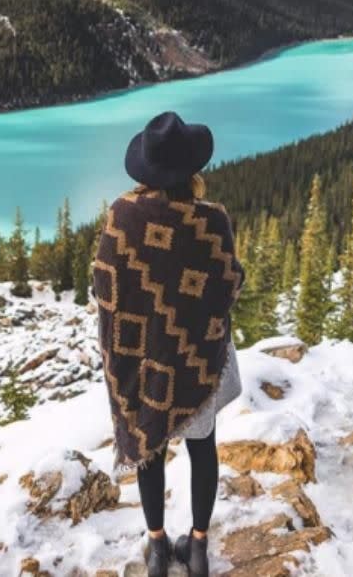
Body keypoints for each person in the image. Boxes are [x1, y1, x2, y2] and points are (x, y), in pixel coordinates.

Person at [93, 112, 245, 577]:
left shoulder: (121, 216)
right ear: (193, 171)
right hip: (195, 356)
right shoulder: (212, 220)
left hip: (143, 360)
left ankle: (158, 548)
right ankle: (197, 548)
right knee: (203, 447)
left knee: (148, 444)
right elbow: (229, 286)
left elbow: (104, 286)